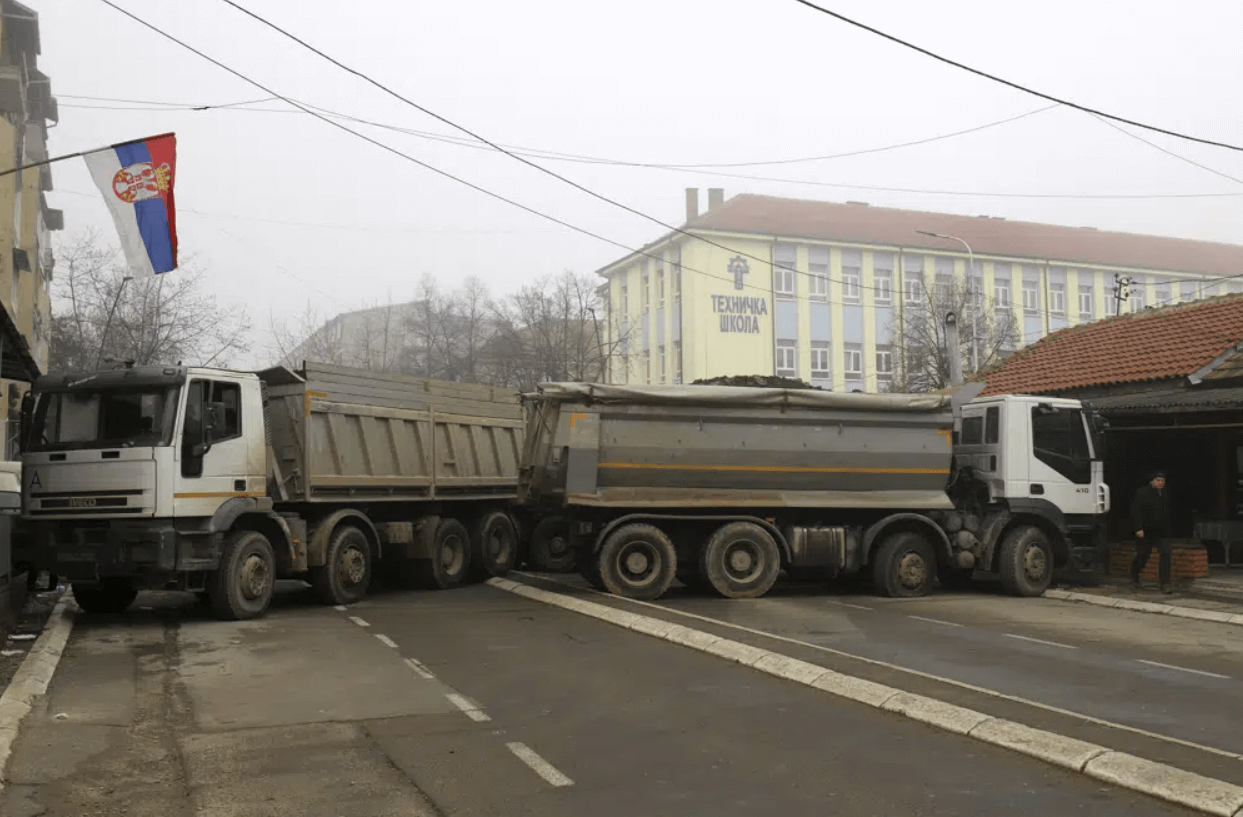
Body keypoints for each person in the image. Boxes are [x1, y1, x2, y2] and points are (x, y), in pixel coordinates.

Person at [1130, 471, 1172, 594]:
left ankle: (1165, 583)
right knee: (1143, 555)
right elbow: (1136, 511)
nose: (1160, 483)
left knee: (1166, 554)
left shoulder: (1165, 494)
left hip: (1162, 531)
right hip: (1146, 531)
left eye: (1162, 481)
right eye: (1157, 480)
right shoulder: (1142, 493)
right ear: (1152, 481)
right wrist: (1138, 528)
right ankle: (1134, 574)